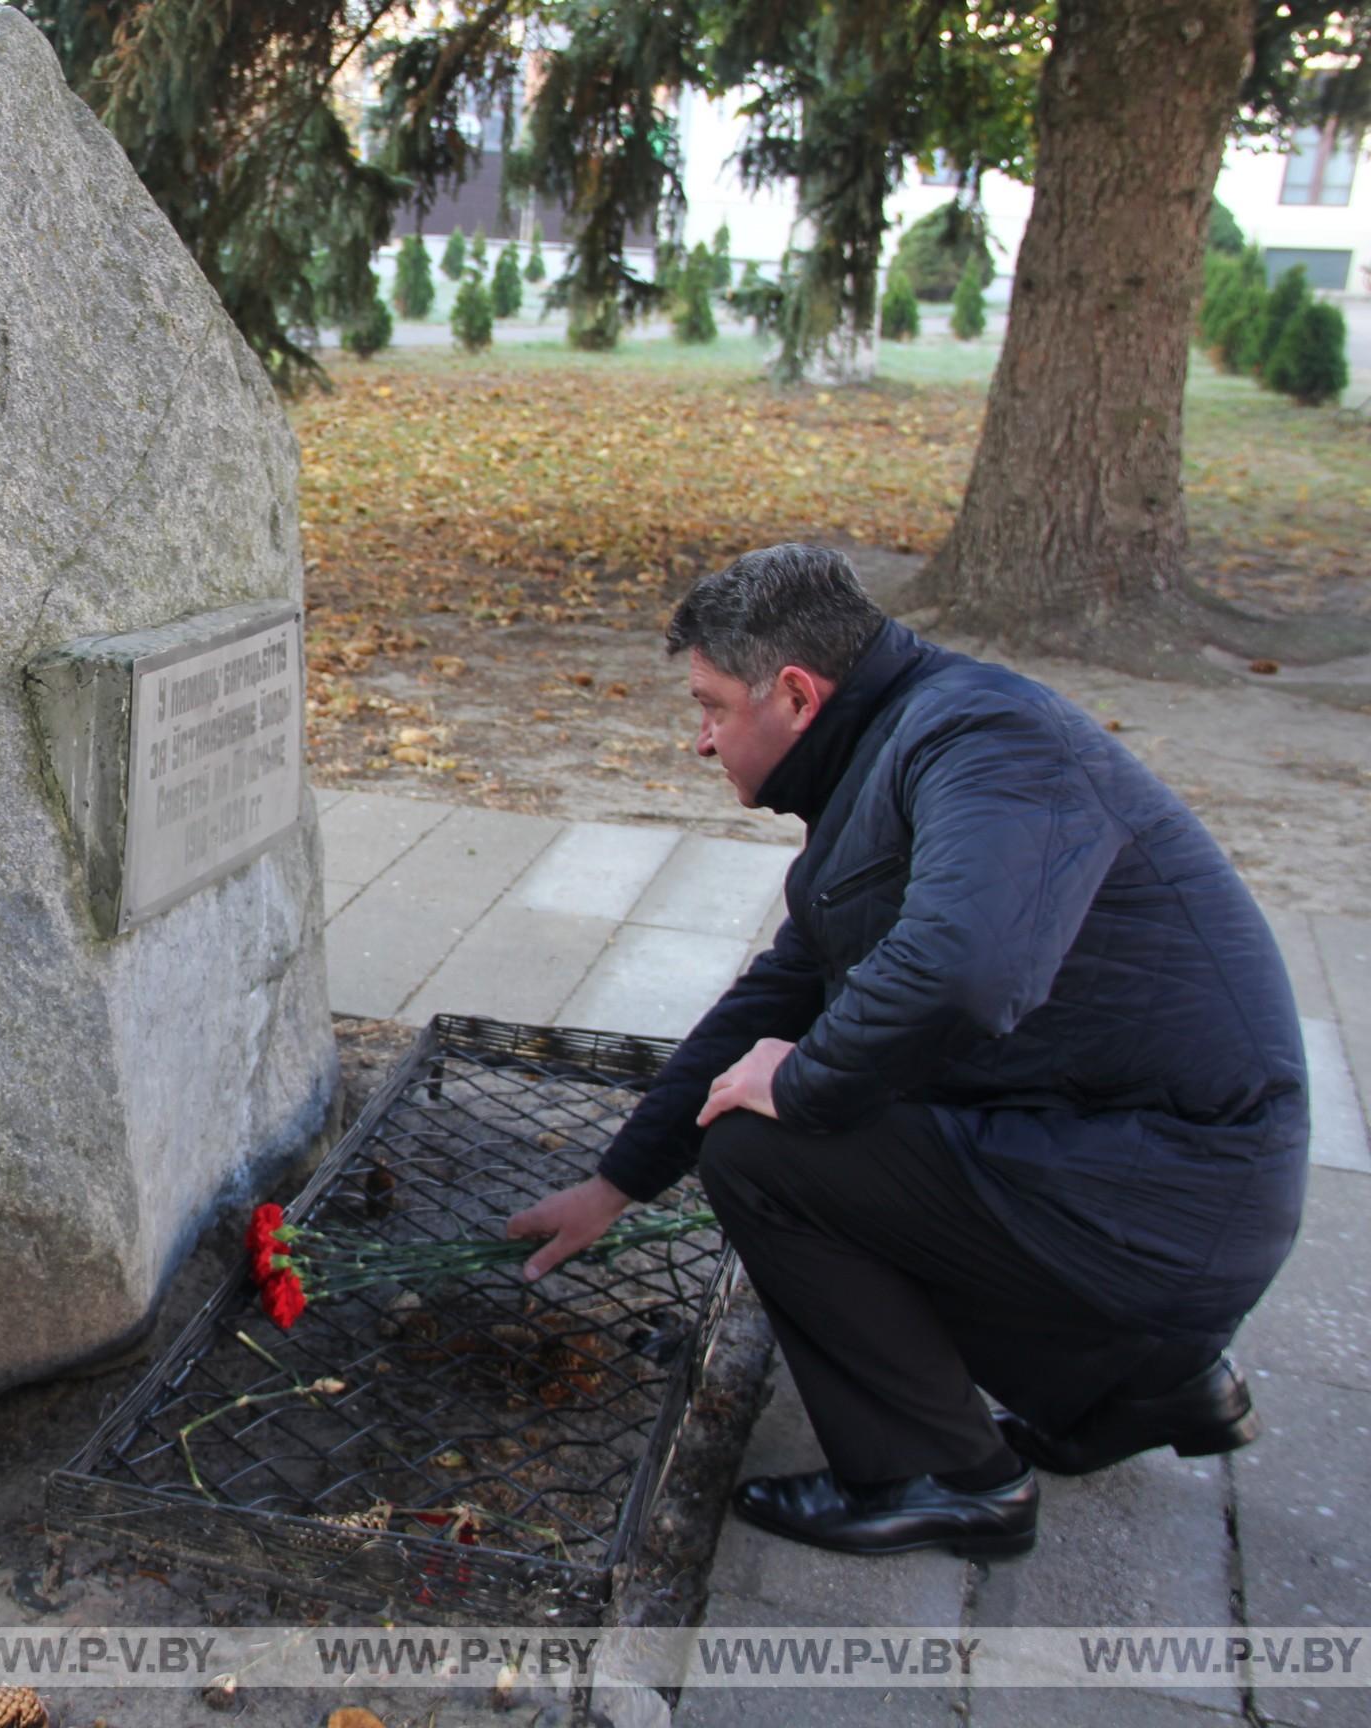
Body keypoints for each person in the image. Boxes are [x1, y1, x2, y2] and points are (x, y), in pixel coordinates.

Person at [504, 544, 1309, 1559]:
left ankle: (946, 1474)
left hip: (1172, 1188)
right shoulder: (899, 744)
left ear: (795, 694)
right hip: (1137, 1170)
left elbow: (969, 970)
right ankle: (1146, 1385)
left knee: (765, 1153)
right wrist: (617, 1181)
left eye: (709, 707)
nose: (700, 743)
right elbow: (780, 990)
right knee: (788, 1109)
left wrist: (798, 1082)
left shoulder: (987, 738)